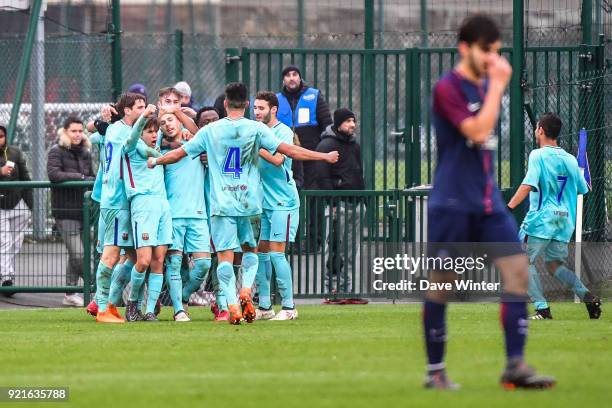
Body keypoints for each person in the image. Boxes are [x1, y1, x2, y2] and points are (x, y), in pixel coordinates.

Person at [423, 15, 555, 389]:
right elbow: (478, 131)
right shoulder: (447, 88)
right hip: (452, 202)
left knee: (517, 271)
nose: (493, 59)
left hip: (486, 200)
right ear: (465, 48)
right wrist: (498, 85)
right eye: (487, 51)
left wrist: (492, 86)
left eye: (497, 52)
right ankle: (436, 372)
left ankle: (515, 365)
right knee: (441, 286)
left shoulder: (486, 85)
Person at [148, 82, 339, 324]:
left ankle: (231, 305)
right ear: (247, 104)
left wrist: (156, 162)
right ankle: (247, 290)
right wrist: (323, 155)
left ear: (226, 104)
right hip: (250, 204)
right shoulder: (256, 129)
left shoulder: (211, 130)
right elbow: (289, 151)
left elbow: (179, 153)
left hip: (222, 205)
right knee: (251, 252)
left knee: (225, 258)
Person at [508, 113, 601, 320]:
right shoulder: (569, 159)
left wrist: (509, 207)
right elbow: (581, 189)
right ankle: (588, 297)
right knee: (554, 266)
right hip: (564, 220)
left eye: (536, 128)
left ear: (540, 130)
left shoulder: (537, 155)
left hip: (540, 220)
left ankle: (542, 309)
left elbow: (528, 184)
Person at [94, 92, 144, 323]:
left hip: (121, 201)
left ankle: (109, 303)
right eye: (139, 107)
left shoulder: (114, 128)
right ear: (127, 110)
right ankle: (102, 308)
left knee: (136, 256)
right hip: (117, 202)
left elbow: (96, 128)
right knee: (111, 255)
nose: (143, 111)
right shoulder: (123, 131)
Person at [158, 110, 211, 322]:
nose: (167, 125)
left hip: (198, 215)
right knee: (174, 265)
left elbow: (199, 131)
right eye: (162, 123)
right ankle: (179, 309)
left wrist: (179, 112)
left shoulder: (197, 145)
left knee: (203, 265)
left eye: (170, 120)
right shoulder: (160, 148)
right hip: (173, 215)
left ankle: (184, 295)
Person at [253, 91, 300, 321]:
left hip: (284, 202)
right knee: (261, 252)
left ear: (273, 109)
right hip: (266, 203)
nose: (256, 112)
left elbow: (278, 159)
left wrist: (254, 147)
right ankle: (264, 306)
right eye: (254, 108)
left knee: (276, 255)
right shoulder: (257, 130)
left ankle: (289, 307)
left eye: (261, 108)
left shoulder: (282, 131)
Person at [122, 105, 172, 322]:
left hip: (163, 205)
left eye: (155, 131)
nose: (154, 135)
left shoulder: (157, 150)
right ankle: (132, 304)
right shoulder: (132, 148)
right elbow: (133, 135)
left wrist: (172, 110)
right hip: (143, 204)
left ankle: (150, 309)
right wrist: (143, 116)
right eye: (149, 131)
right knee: (143, 260)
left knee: (159, 259)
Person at [277, 65, 332, 251]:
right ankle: (292, 240)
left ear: (300, 78)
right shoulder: (276, 100)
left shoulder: (314, 96)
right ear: (283, 80)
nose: (292, 78)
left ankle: (313, 243)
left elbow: (327, 125)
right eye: (288, 75)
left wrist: (321, 149)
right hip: (287, 157)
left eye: (295, 75)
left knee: (314, 199)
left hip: (311, 157)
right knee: (291, 198)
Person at [314, 108, 365, 294]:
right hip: (338, 206)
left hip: (356, 204)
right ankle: (330, 288)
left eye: (354, 120)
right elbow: (322, 177)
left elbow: (359, 173)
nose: (352, 125)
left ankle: (346, 288)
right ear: (338, 123)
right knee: (333, 248)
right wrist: (333, 203)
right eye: (348, 121)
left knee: (351, 252)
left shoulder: (354, 145)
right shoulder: (326, 145)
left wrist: (364, 201)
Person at [47, 117, 95, 307]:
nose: (77, 134)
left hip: (84, 210)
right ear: (65, 131)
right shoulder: (56, 151)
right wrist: (81, 177)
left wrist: (89, 178)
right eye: (73, 131)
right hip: (65, 211)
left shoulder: (85, 152)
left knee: (78, 254)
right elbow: (54, 174)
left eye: (80, 131)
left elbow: (91, 174)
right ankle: (97, 285)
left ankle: (70, 292)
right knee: (78, 254)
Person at [0, 125, 32, 292]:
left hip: (18, 203)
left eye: (1, 136)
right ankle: (7, 278)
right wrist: (1, 171)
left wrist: (29, 205)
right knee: (4, 241)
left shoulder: (14, 152)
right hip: (1, 206)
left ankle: (7, 275)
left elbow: (25, 176)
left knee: (15, 242)